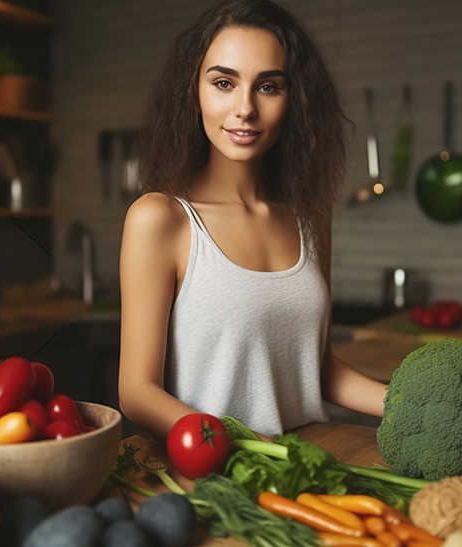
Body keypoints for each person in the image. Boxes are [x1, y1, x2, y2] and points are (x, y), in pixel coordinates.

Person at [118, 0, 388, 442]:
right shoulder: (160, 219)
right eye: (224, 82)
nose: (244, 108)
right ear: (194, 92)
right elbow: (136, 391)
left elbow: (314, 368)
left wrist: (408, 406)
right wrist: (233, 446)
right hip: (216, 475)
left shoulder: (309, 214)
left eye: (268, 87)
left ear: (292, 99)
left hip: (310, 466)